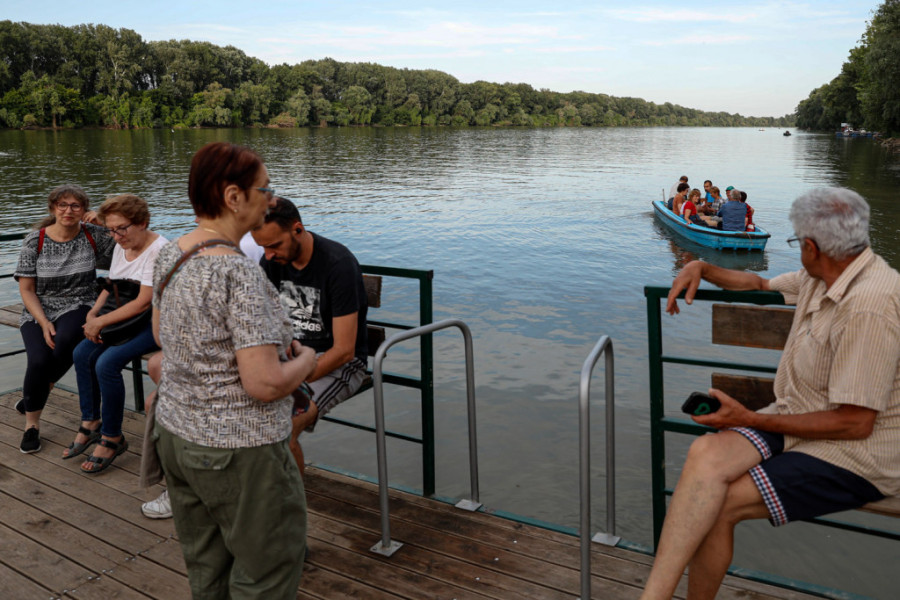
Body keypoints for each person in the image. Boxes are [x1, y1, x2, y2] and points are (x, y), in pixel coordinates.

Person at [641, 187, 900, 600]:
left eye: (798, 242)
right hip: (801, 418)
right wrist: (702, 268)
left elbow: (855, 423)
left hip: (858, 453)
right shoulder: (827, 275)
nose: (797, 250)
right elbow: (758, 282)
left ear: (813, 247)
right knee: (705, 455)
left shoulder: (870, 303)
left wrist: (747, 418)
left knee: (719, 504)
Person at [152, 142, 317, 597]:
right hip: (239, 451)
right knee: (267, 571)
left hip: (177, 435)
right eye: (265, 188)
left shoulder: (173, 253)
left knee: (208, 567)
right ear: (233, 196)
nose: (273, 199)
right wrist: (306, 360)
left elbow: (165, 338)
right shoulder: (237, 273)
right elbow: (264, 384)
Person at [252, 197, 368, 473]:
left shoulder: (338, 264)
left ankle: (289, 512)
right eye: (262, 247)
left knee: (285, 426)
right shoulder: (272, 261)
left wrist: (288, 379)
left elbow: (344, 351)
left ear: (297, 229)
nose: (267, 255)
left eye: (273, 245)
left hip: (337, 364)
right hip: (288, 358)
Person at [66, 194, 167, 473]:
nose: (116, 236)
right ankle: (91, 421)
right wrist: (93, 315)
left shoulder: (159, 250)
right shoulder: (123, 244)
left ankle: (113, 437)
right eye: (111, 229)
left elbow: (143, 301)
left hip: (154, 321)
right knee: (81, 352)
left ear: (143, 223)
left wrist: (101, 322)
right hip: (125, 318)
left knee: (107, 364)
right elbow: (113, 285)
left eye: (121, 228)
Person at [13, 185, 114, 454]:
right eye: (62, 205)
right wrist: (44, 322)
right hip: (40, 308)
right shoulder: (36, 240)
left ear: (83, 210)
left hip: (81, 302)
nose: (68, 210)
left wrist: (103, 220)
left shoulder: (94, 234)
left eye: (75, 206)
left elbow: (133, 244)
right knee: (38, 359)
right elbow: (26, 289)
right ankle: (31, 424)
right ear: (53, 208)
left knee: (68, 337)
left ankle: (33, 396)